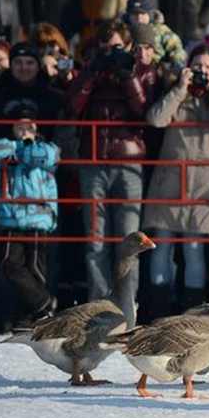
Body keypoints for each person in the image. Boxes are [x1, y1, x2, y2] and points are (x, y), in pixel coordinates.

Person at [142, 44, 209, 314]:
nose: (202, 72)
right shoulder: (178, 95)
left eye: (208, 67)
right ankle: (158, 311)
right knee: (161, 248)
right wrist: (179, 88)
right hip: (170, 182)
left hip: (203, 187)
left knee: (194, 251)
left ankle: (193, 312)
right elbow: (156, 119)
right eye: (197, 66)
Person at [67, 20, 157, 301]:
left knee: (131, 241)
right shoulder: (89, 70)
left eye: (117, 47)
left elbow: (144, 111)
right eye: (106, 48)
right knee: (95, 241)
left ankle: (126, 307)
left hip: (129, 161)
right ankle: (98, 307)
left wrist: (127, 74)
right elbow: (72, 107)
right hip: (93, 162)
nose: (111, 53)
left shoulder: (142, 71)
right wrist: (93, 72)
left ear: (128, 46)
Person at [0, 105, 60, 329]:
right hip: (10, 216)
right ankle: (45, 304)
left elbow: (46, 158)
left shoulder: (48, 148)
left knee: (35, 269)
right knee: (8, 264)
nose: (24, 130)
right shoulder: (5, 145)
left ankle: (30, 317)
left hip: (38, 217)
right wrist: (19, 147)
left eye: (28, 125)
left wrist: (26, 146)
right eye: (19, 125)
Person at [0, 43, 65, 139]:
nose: (24, 68)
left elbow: (63, 135)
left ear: (38, 66)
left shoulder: (54, 97)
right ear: (11, 65)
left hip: (45, 151)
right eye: (18, 62)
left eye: (30, 63)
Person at [123, 0, 186, 67]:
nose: (139, 18)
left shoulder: (161, 31)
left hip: (155, 68)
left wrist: (176, 63)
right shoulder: (123, 32)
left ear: (150, 14)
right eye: (135, 14)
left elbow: (176, 47)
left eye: (143, 14)